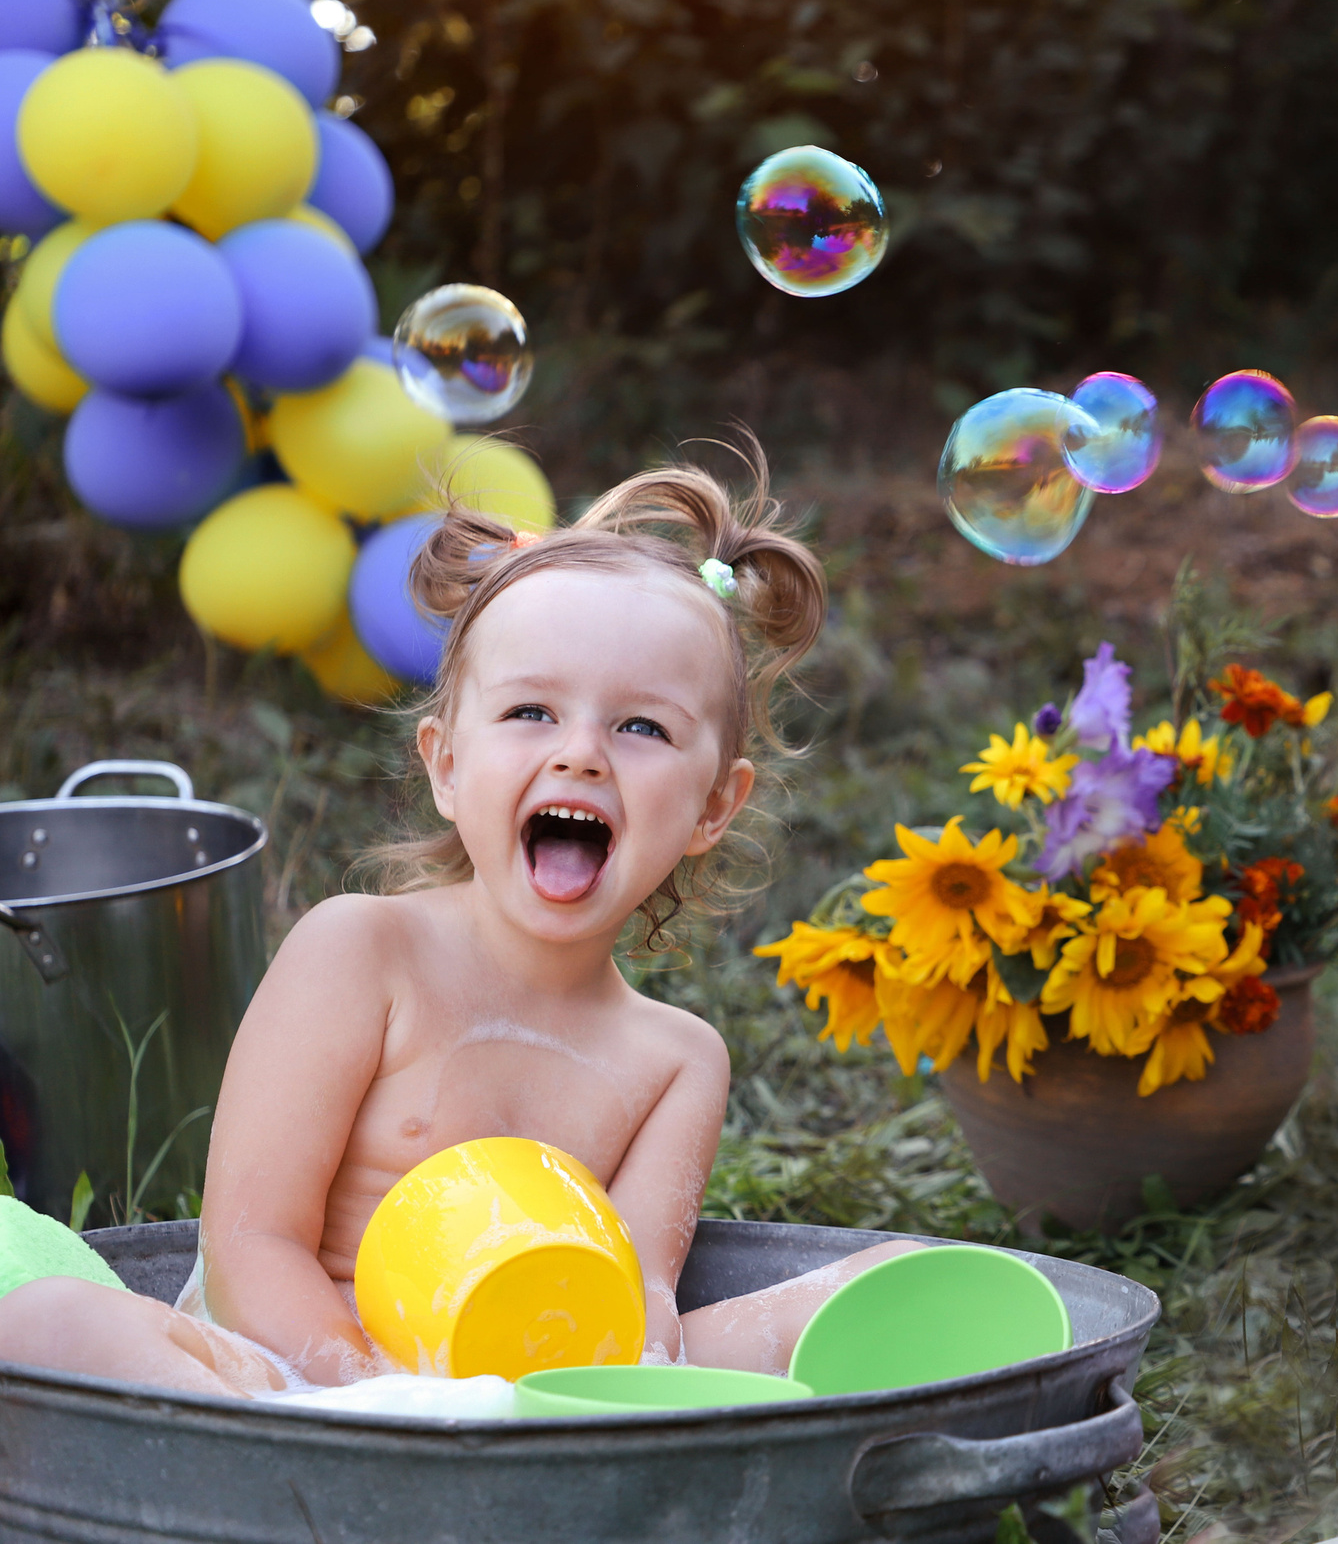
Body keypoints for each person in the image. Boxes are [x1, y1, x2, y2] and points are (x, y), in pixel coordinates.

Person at [0, 451, 921, 1397]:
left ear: (713, 807)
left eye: (640, 728)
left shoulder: (677, 1060)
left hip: (530, 1396)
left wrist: (538, 1403)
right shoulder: (362, 951)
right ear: (445, 764)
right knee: (47, 1319)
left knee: (890, 1279)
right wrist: (380, 1402)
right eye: (531, 711)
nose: (581, 755)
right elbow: (249, 1249)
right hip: (288, 1378)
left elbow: (637, 1310)